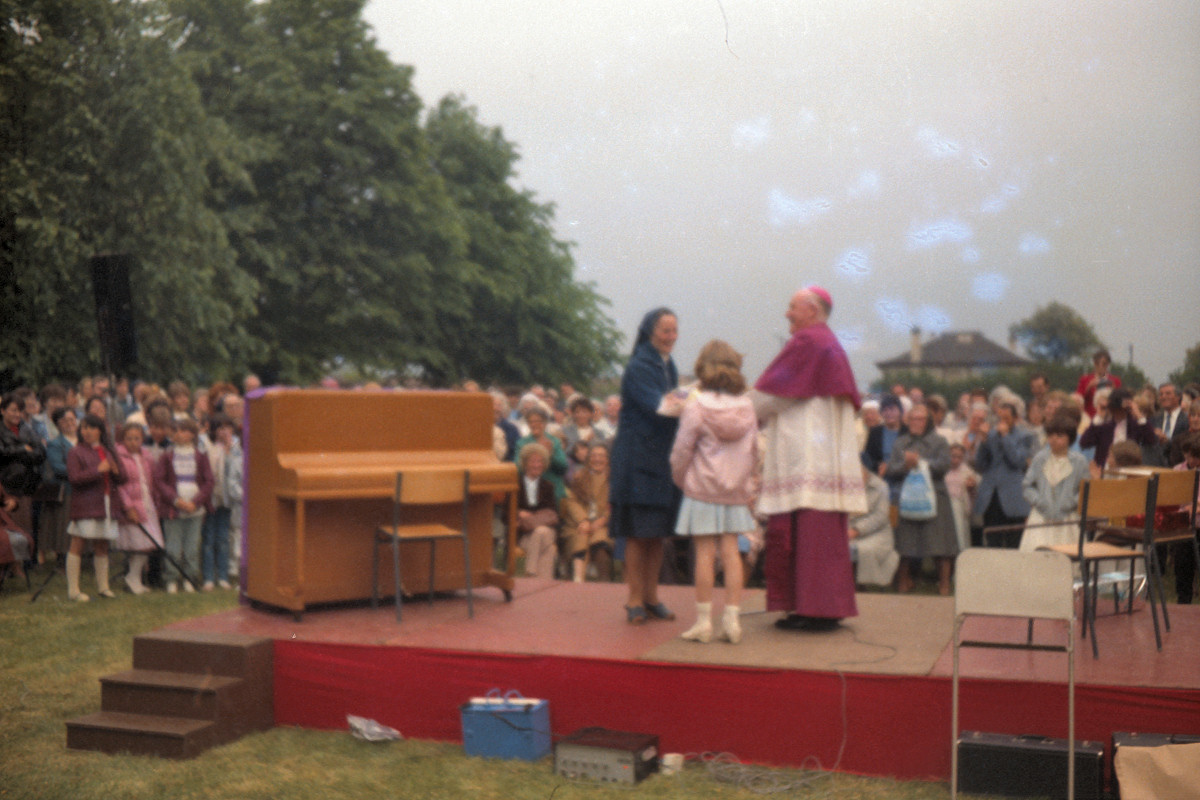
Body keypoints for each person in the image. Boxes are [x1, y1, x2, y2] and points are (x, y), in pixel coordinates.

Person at [751, 287, 865, 631]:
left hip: (807, 458)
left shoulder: (808, 341)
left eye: (792, 307)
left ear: (811, 310)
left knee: (810, 536)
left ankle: (815, 610)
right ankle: (819, 608)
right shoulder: (827, 342)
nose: (787, 313)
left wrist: (732, 409)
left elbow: (772, 396)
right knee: (821, 538)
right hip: (823, 456)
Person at [669, 340, 758, 644]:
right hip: (735, 490)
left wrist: (682, 479)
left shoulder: (696, 405)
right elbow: (753, 450)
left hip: (702, 489)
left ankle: (704, 623)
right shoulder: (747, 406)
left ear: (702, 368)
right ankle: (732, 621)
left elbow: (682, 450)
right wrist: (744, 483)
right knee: (732, 552)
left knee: (705, 554)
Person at [609, 307, 684, 624]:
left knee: (657, 533)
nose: (671, 336)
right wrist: (693, 403)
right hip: (638, 459)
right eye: (665, 330)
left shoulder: (668, 364)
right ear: (650, 331)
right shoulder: (640, 364)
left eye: (674, 330)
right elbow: (659, 407)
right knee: (638, 533)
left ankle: (652, 597)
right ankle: (634, 599)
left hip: (661, 459)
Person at [887, 403, 958, 594]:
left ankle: (944, 584)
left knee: (941, 542)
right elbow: (891, 469)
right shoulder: (900, 442)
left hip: (934, 494)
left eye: (919, 419)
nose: (914, 423)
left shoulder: (940, 441)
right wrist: (905, 465)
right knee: (904, 542)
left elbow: (944, 466)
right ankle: (903, 581)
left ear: (928, 422)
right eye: (911, 419)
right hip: (906, 496)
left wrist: (920, 462)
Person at [65, 414, 126, 601]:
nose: (87, 431)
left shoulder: (109, 451)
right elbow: (74, 478)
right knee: (78, 542)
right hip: (86, 503)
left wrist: (116, 471)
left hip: (107, 503)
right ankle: (73, 590)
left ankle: (104, 587)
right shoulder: (75, 452)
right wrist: (97, 470)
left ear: (100, 430)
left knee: (102, 544)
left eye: (91, 427)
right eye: (84, 428)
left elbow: (123, 478)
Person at [153, 418, 213, 593]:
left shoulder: (200, 456)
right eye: (176, 430)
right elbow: (159, 481)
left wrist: (195, 502)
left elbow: (209, 481)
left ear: (192, 434)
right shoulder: (167, 456)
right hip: (174, 508)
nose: (178, 434)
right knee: (173, 547)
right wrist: (176, 500)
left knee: (192, 547)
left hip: (195, 509)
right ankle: (171, 578)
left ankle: (190, 578)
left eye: (183, 430)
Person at [1018, 413, 1090, 552]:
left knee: (1067, 554)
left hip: (1067, 519)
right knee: (1037, 554)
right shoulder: (1040, 458)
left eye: (1060, 436)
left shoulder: (1079, 461)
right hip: (1040, 518)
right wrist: (1039, 501)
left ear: (1070, 438)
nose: (1054, 439)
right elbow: (1027, 486)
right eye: (1050, 435)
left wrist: (1070, 503)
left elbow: (1085, 489)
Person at [971, 401, 1034, 548]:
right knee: (993, 542)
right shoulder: (990, 435)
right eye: (1000, 419)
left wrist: (1005, 436)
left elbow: (1018, 461)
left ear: (1015, 418)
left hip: (1013, 496)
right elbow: (980, 465)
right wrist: (983, 442)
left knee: (1014, 543)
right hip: (991, 496)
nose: (1002, 422)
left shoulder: (1025, 436)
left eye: (1006, 419)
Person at [114, 422, 163, 594]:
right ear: (123, 439)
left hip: (147, 502)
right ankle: (132, 578)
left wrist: (156, 501)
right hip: (132, 505)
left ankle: (134, 577)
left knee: (149, 543)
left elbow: (151, 481)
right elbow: (119, 486)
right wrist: (128, 507)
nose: (133, 442)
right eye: (129, 438)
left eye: (137, 438)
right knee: (139, 543)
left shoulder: (146, 456)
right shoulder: (119, 457)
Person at [200, 414, 241, 590]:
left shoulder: (237, 448)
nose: (225, 432)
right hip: (212, 499)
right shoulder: (208, 446)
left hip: (227, 501)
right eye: (220, 428)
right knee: (209, 538)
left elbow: (237, 469)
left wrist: (229, 451)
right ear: (214, 430)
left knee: (223, 538)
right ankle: (208, 577)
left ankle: (223, 575)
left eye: (228, 427)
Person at [561, 442, 613, 582]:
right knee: (581, 538)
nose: (597, 459)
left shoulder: (613, 479)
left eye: (601, 456)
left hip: (603, 524)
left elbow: (615, 505)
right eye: (594, 455)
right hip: (579, 524)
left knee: (600, 542)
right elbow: (572, 501)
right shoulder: (579, 477)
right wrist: (584, 520)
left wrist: (602, 520)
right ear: (588, 458)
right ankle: (577, 582)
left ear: (607, 459)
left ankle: (604, 584)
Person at [847, 467, 899, 588]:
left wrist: (856, 530)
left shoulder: (881, 486)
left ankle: (856, 585)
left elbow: (880, 517)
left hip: (877, 533)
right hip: (845, 531)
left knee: (864, 549)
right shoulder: (840, 485)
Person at [515, 442, 559, 579]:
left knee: (540, 531)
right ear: (525, 463)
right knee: (549, 549)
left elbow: (553, 514)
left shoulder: (548, 486)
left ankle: (530, 572)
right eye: (532, 461)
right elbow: (505, 515)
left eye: (540, 461)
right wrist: (517, 513)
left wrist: (530, 517)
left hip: (547, 531)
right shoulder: (515, 485)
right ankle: (544, 585)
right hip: (525, 534)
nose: (536, 465)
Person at [1076, 349, 1121, 418]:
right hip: (1090, 416)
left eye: (1104, 364)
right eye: (1097, 363)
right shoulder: (1085, 380)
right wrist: (1089, 387)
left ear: (1108, 364)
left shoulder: (1115, 381)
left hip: (1109, 416)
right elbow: (1078, 399)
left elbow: (1120, 401)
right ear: (1094, 364)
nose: (1101, 366)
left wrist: (1114, 389)